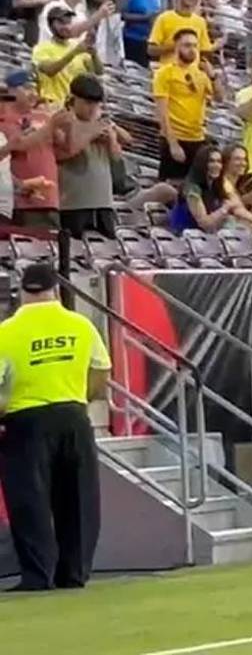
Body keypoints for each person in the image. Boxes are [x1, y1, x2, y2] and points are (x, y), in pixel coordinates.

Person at [0, 263, 111, 591]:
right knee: (78, 499)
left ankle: (38, 576)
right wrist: (81, 397)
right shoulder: (80, 324)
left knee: (30, 501)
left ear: (23, 292)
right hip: (73, 415)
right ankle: (74, 573)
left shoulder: (6, 331)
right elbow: (101, 370)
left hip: (26, 421)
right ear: (56, 289)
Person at [54, 73, 119, 239]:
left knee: (108, 253)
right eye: (88, 103)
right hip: (74, 204)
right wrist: (91, 133)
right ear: (73, 100)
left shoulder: (101, 124)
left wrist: (112, 138)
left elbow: (116, 158)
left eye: (96, 104)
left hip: (103, 202)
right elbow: (63, 153)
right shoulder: (61, 121)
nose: (92, 108)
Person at [152, 29, 222, 182]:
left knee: (197, 185)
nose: (192, 50)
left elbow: (220, 98)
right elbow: (161, 111)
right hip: (176, 137)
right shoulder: (165, 73)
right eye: (187, 45)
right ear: (177, 46)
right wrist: (172, 143)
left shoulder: (201, 74)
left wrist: (213, 76)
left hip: (197, 137)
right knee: (173, 185)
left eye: (195, 46)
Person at [0, 69, 63, 228]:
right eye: (27, 87)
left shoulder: (42, 117)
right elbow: (18, 145)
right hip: (24, 202)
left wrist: (61, 123)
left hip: (50, 198)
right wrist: (50, 126)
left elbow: (63, 145)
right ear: (12, 91)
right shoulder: (5, 119)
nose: (33, 93)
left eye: (35, 88)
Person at [32, 5, 100, 108]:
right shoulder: (41, 48)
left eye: (68, 22)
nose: (66, 26)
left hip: (73, 107)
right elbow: (50, 71)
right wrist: (74, 52)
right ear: (51, 25)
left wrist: (94, 54)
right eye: (61, 22)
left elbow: (98, 71)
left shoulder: (76, 45)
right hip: (51, 104)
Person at [146, 0, 212, 63]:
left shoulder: (200, 21)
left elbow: (204, 50)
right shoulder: (164, 17)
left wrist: (216, 46)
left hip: (192, 73)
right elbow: (151, 50)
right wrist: (176, 46)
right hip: (169, 72)